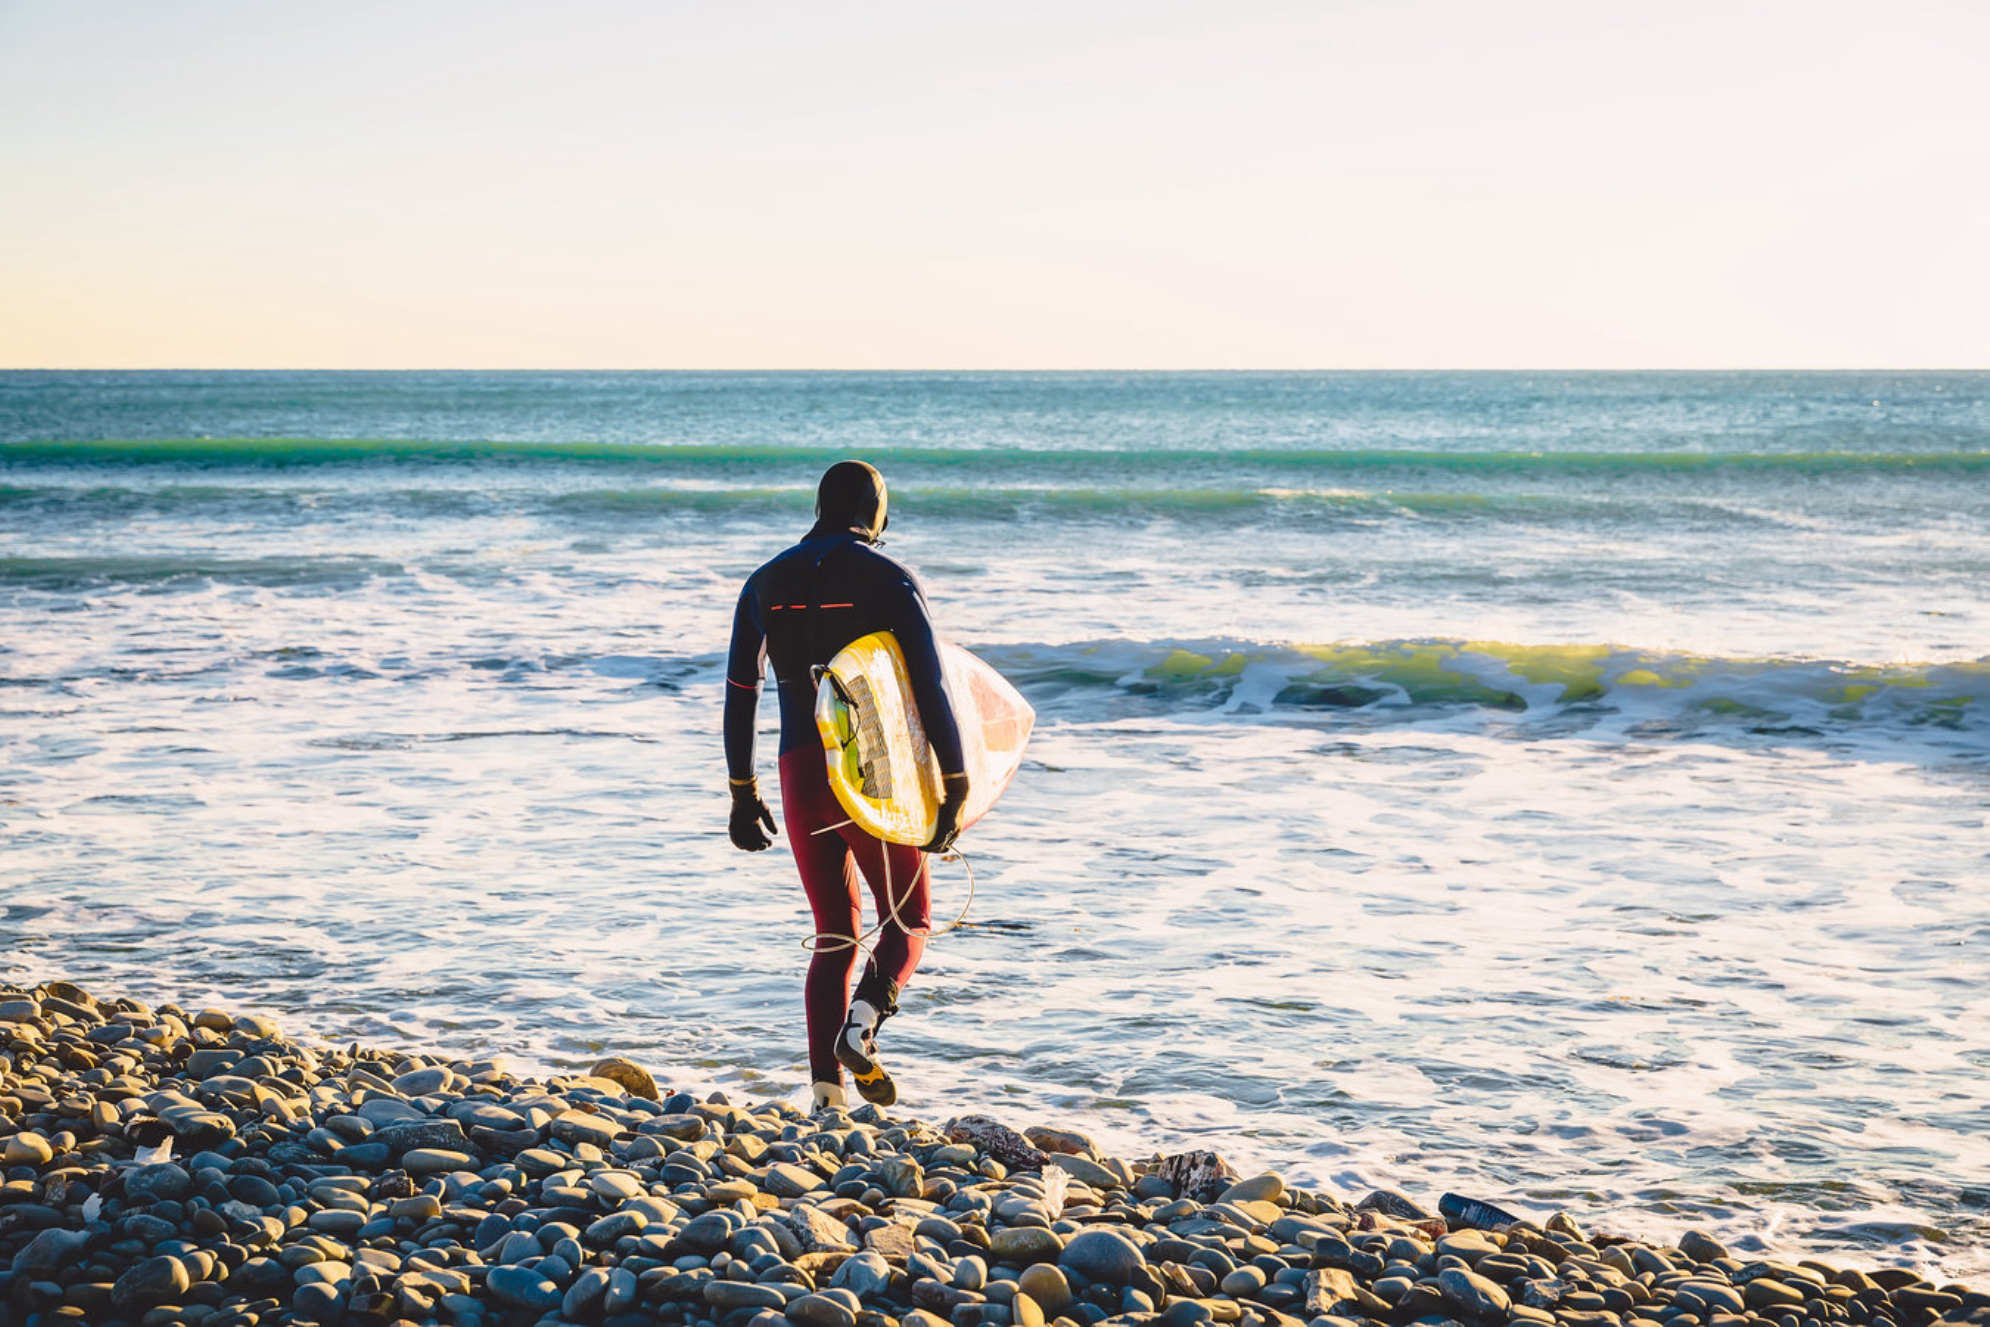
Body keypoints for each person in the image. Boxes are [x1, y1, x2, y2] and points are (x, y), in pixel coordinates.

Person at [723, 460, 969, 1111]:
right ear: (875, 510)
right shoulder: (889, 578)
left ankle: (826, 1098)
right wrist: (955, 782)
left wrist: (743, 791)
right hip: (872, 768)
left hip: (800, 767)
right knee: (909, 919)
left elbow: (741, 692)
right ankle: (860, 1028)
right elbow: (932, 687)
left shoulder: (764, 582)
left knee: (834, 931)